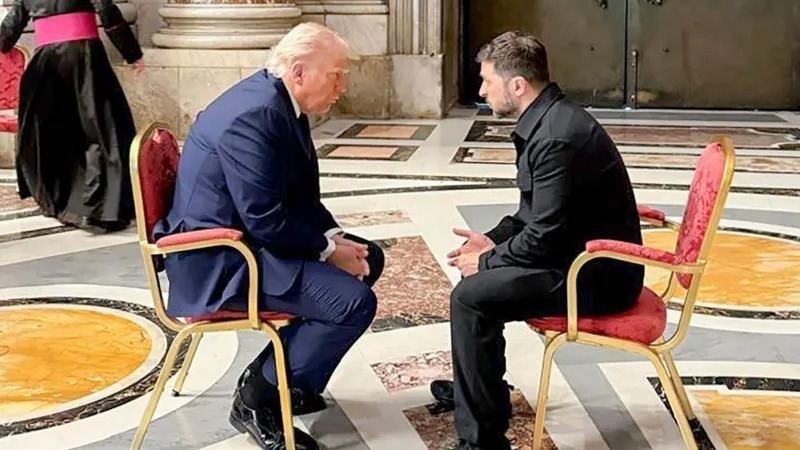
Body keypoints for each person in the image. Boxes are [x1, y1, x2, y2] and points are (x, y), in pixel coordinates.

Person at [152, 23, 383, 450]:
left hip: (247, 239)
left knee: (371, 257)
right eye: (336, 74)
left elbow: (295, 194)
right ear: (298, 71)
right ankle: (258, 398)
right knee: (353, 304)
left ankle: (293, 379)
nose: (343, 85)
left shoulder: (277, 101)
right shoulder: (255, 115)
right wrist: (328, 250)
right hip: (220, 260)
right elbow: (265, 218)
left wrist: (332, 236)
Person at [430, 31, 645, 449]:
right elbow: (532, 216)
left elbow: (543, 235)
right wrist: (489, 243)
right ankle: (482, 397)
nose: (480, 90)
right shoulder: (549, 120)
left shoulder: (556, 137)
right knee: (475, 286)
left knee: (471, 297)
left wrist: (489, 263)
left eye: (487, 81)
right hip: (574, 256)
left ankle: (483, 439)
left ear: (517, 86)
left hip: (596, 276)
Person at [0, 0, 144, 231]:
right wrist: (131, 52)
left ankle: (64, 202)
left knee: (55, 134)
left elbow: (10, 27)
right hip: (86, 57)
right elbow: (107, 10)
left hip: (47, 62)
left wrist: (4, 44)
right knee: (102, 130)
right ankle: (100, 207)